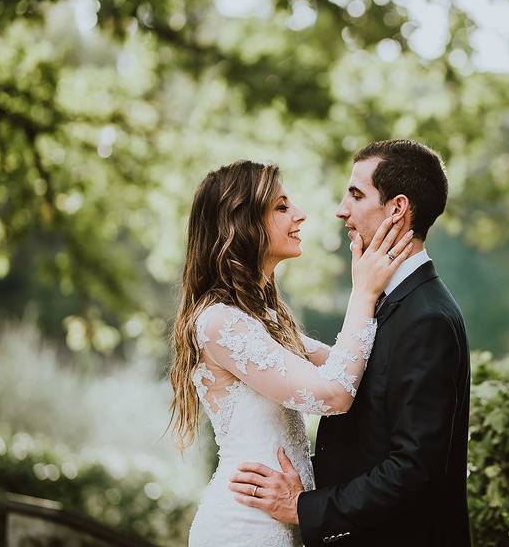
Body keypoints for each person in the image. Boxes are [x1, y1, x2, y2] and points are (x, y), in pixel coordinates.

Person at [231, 139, 472, 546]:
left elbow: (414, 467)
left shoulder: (426, 316)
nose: (341, 210)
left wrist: (303, 508)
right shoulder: (386, 301)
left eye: (356, 195)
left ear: (397, 208)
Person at [168, 160, 414, 547]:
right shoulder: (219, 323)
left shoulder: (261, 317)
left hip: (280, 521)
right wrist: (363, 294)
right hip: (243, 528)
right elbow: (333, 394)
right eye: (281, 207)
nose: (300, 214)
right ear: (241, 223)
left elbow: (342, 365)